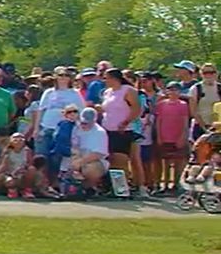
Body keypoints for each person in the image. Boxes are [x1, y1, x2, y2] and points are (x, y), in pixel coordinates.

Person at [97, 68, 144, 196]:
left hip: (123, 130)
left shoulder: (128, 91)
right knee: (111, 159)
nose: (104, 81)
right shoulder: (107, 92)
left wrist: (126, 122)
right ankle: (115, 188)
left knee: (121, 159)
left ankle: (125, 188)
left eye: (106, 78)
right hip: (108, 129)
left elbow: (136, 109)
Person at [151, 81, 191, 194]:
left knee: (178, 161)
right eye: (170, 89)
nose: (173, 92)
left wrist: (183, 137)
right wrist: (159, 136)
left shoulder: (183, 105)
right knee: (165, 162)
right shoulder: (161, 104)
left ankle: (176, 184)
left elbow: (185, 122)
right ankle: (165, 185)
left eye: (175, 89)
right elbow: (158, 121)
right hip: (164, 136)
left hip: (177, 136)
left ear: (179, 91)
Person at [67, 106, 110, 193]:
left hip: (96, 161)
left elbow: (98, 154)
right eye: (82, 122)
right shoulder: (76, 129)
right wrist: (75, 159)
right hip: (77, 157)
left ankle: (89, 188)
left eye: (86, 123)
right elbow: (74, 146)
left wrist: (80, 162)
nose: (83, 125)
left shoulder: (99, 132)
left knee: (90, 169)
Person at [0, 132, 37, 198]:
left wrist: (22, 170)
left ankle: (27, 190)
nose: (19, 140)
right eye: (15, 138)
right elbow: (3, 166)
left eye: (21, 138)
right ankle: (12, 190)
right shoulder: (7, 152)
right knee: (9, 181)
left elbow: (30, 164)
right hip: (11, 174)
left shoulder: (27, 151)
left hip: (22, 174)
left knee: (32, 169)